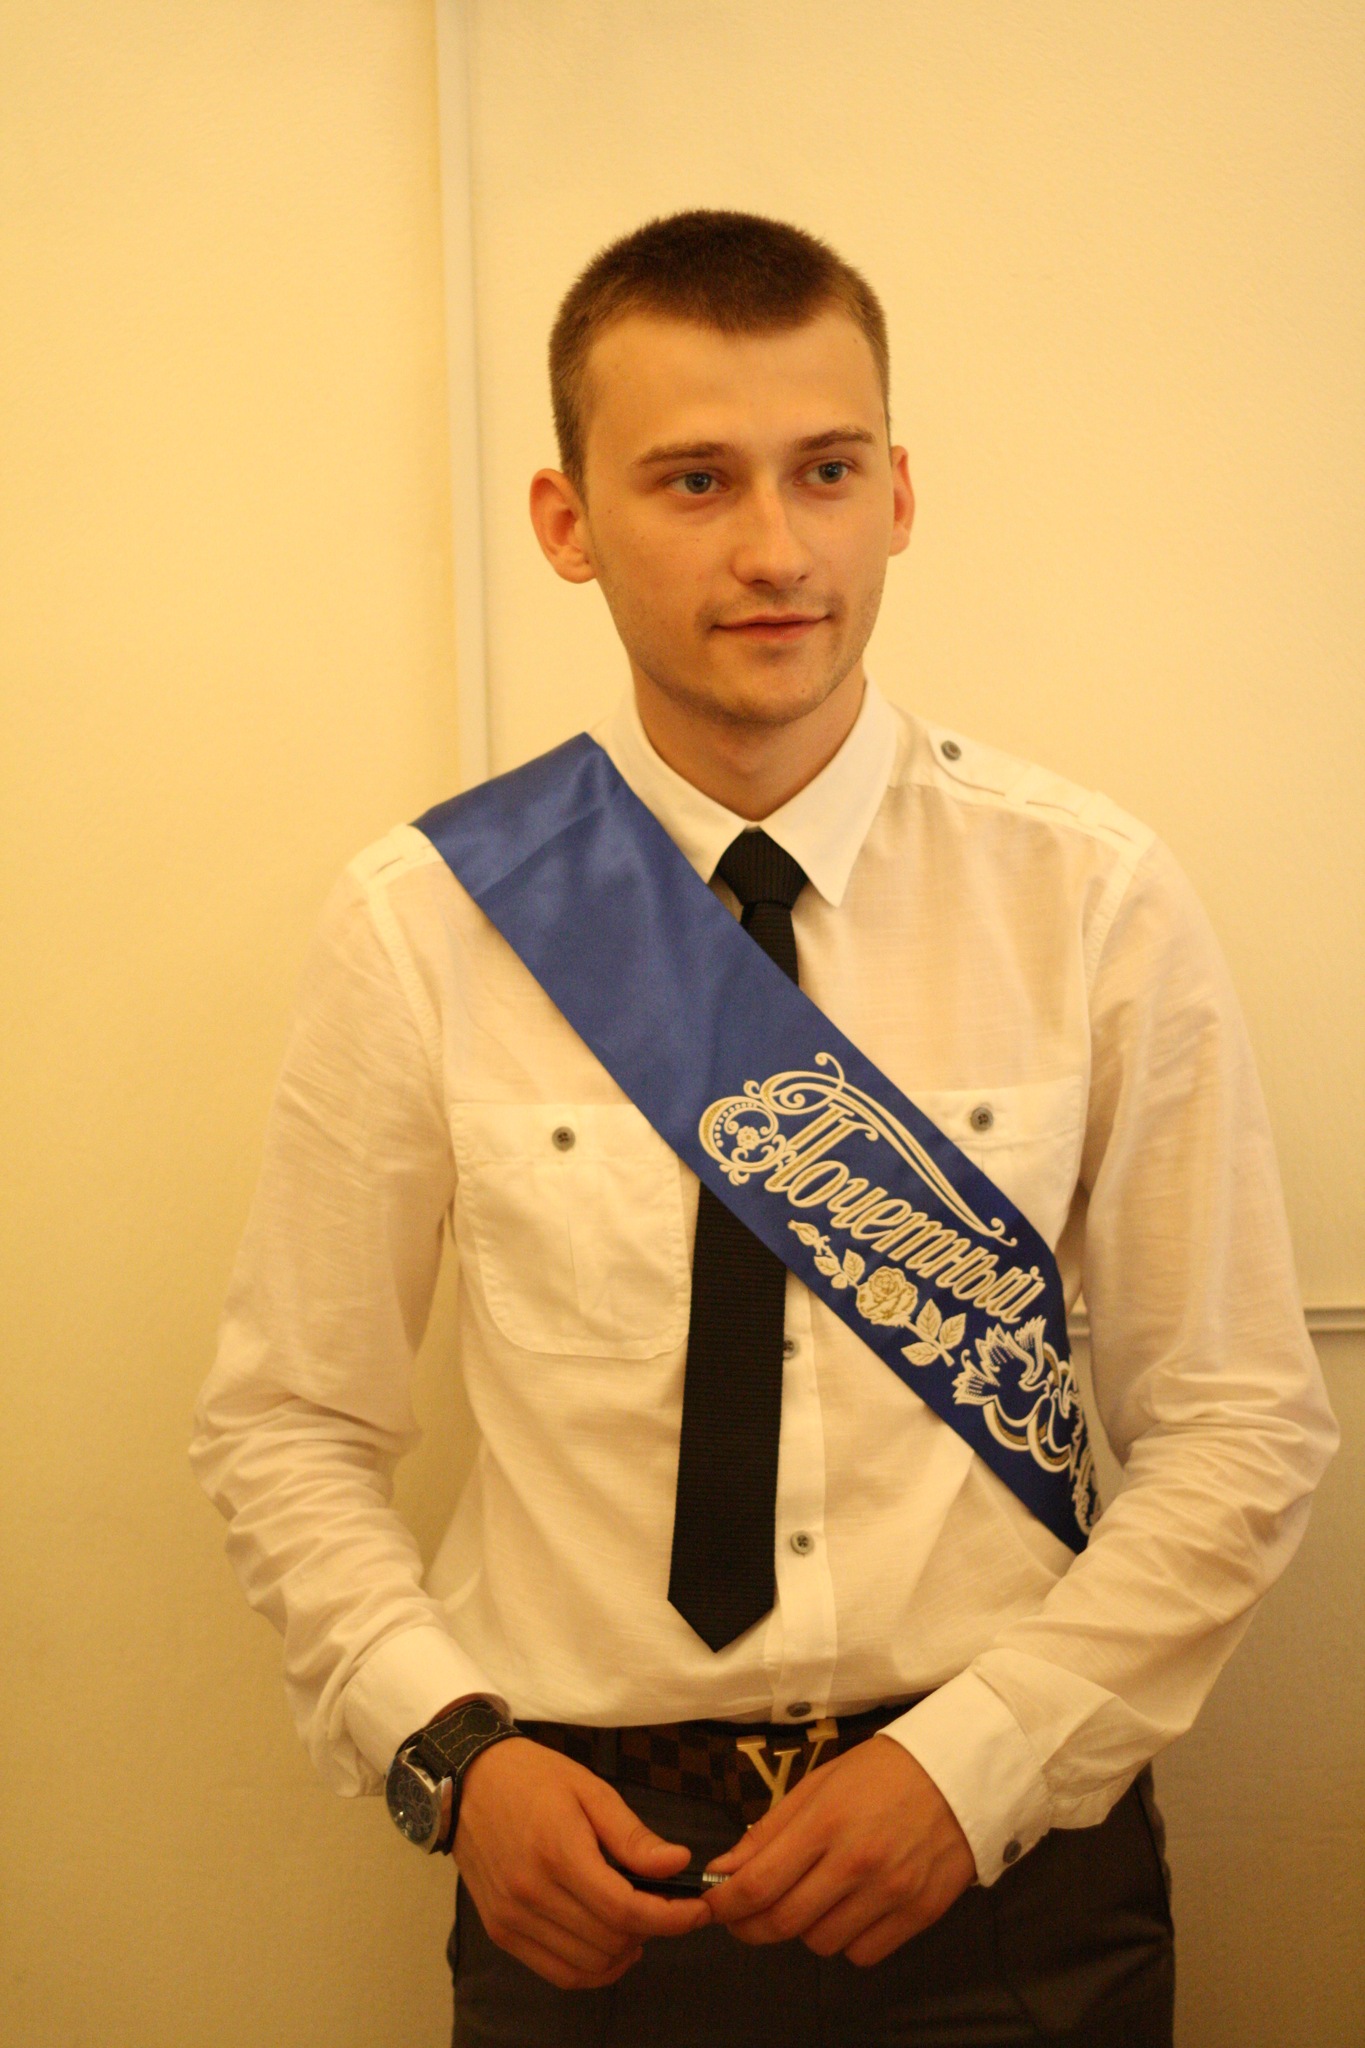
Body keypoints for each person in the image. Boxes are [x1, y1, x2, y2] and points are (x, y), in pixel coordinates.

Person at [191, 211, 1337, 2047]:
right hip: (585, 1876)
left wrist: (976, 1762)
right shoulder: (428, 921)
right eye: (693, 480)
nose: (776, 550)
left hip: (1010, 1875)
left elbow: (1238, 1423)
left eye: (825, 470)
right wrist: (450, 1756)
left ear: (899, 493)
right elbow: (289, 1423)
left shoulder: (1086, 898)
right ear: (567, 521)